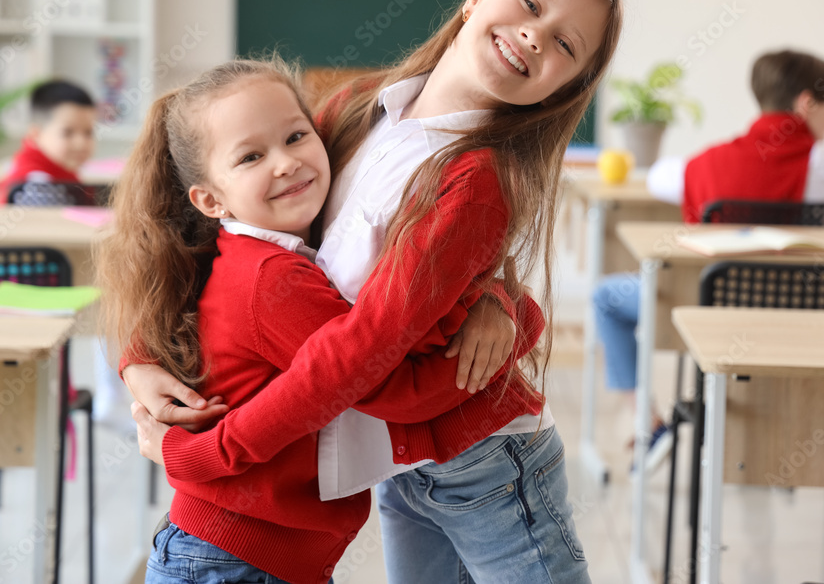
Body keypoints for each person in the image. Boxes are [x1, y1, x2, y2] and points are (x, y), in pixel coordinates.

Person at [122, 0, 623, 584]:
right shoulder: (357, 109)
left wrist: (210, 452)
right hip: (398, 463)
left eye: (565, 46)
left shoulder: (475, 179)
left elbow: (363, 350)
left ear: (567, 85)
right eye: (529, 4)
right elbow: (212, 227)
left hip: (486, 458)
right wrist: (140, 356)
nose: (534, 35)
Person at [99, 56, 543, 584]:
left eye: (295, 137)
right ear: (210, 200)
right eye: (250, 157)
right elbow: (394, 391)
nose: (284, 163)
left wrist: (494, 296)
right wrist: (523, 319)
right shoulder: (275, 280)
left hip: (246, 554)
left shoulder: (261, 247)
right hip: (237, 560)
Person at [594, 48, 824, 469]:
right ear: (805, 104)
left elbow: (658, 179)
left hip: (708, 313)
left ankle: (646, 420)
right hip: (799, 318)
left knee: (606, 297)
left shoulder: (708, 162)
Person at [0, 80, 97, 204]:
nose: (81, 143)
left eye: (88, 133)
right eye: (67, 133)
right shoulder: (35, 186)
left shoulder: (63, 169)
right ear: (35, 134)